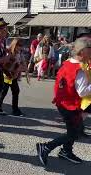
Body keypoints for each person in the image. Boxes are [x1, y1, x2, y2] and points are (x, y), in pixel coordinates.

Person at [37, 37, 91, 166]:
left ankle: (66, 151)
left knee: (75, 128)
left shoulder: (68, 62)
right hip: (70, 105)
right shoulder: (80, 70)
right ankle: (46, 147)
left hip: (64, 103)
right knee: (73, 133)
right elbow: (83, 92)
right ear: (83, 52)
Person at [0, 38, 27, 116]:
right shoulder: (9, 53)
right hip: (7, 75)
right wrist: (14, 67)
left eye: (21, 45)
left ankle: (15, 109)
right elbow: (3, 65)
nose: (20, 47)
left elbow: (24, 66)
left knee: (15, 91)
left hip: (13, 76)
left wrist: (19, 68)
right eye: (19, 45)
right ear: (14, 45)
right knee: (4, 91)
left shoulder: (19, 53)